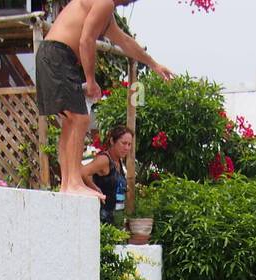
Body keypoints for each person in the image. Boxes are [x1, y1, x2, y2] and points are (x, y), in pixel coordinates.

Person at [37, 0, 174, 197]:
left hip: (54, 55)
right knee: (80, 119)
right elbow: (86, 40)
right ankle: (73, 182)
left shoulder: (104, 11)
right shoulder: (105, 2)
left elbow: (126, 42)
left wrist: (154, 65)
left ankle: (67, 183)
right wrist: (91, 80)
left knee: (71, 121)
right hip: (58, 55)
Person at [84, 124, 132, 224]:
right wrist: (94, 188)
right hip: (102, 220)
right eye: (123, 143)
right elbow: (82, 172)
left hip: (116, 218)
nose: (127, 148)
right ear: (112, 141)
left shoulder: (118, 161)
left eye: (129, 144)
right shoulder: (104, 160)